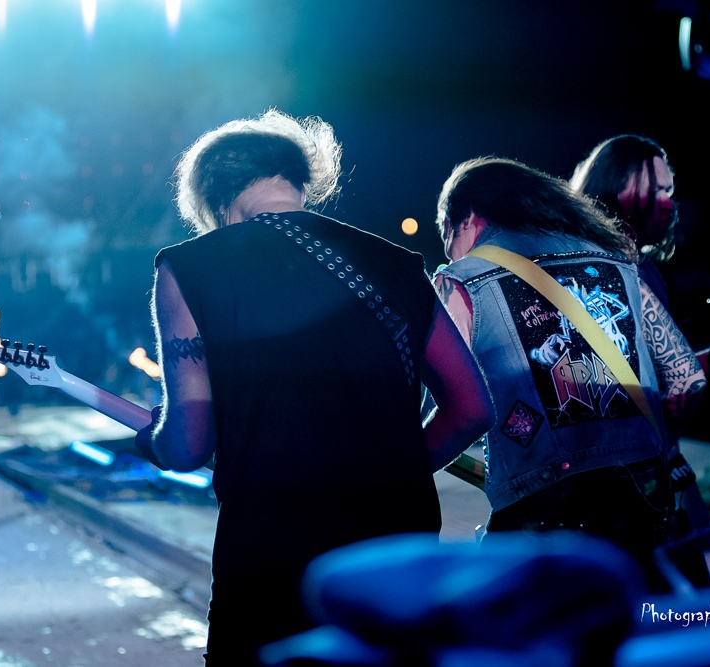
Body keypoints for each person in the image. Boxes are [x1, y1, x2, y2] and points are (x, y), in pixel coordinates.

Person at [134, 109, 494, 666]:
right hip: (395, 552)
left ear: (213, 199)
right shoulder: (396, 264)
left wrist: (151, 439)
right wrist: (388, 469)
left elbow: (187, 446)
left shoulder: (187, 267)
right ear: (301, 181)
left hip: (270, 557)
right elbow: (471, 408)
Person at [431, 156, 707, 592]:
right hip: (641, 499)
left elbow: (453, 409)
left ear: (465, 217)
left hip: (542, 514)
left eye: (447, 235)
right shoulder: (615, 262)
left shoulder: (461, 281)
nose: (450, 251)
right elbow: (687, 379)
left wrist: (404, 466)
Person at [568, 134, 710, 530]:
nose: (669, 203)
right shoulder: (592, 275)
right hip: (614, 484)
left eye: (670, 191)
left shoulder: (642, 269)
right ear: (613, 186)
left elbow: (668, 374)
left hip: (652, 464)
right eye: (657, 189)